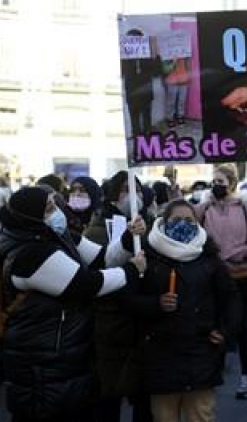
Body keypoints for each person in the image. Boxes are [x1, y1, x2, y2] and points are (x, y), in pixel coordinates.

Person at [0, 187, 146, 422]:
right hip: (43, 365)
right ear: (31, 215)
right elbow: (87, 285)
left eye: (55, 205)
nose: (57, 212)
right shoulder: (30, 253)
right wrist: (132, 271)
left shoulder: (55, 235)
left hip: (65, 357)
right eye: (49, 208)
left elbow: (102, 258)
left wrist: (127, 238)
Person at [106, 199, 242, 422]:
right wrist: (156, 304)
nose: (183, 224)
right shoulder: (147, 255)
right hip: (161, 356)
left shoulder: (209, 257)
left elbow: (231, 298)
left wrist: (226, 330)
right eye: (176, 220)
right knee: (164, 417)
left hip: (201, 354)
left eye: (189, 220)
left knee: (201, 415)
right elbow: (127, 301)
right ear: (164, 222)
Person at [84, 171, 154, 422]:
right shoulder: (98, 227)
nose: (132, 195)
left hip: (144, 320)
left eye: (136, 189)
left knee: (144, 398)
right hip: (111, 322)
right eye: (125, 189)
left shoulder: (153, 225)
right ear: (113, 194)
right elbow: (100, 266)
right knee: (109, 394)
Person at [198, 163, 247, 400]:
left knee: (241, 326)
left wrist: (241, 251)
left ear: (232, 183)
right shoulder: (204, 209)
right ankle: (211, 375)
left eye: (220, 182)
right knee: (213, 323)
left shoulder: (246, 209)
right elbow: (189, 230)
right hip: (212, 275)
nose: (216, 186)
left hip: (239, 276)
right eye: (213, 182)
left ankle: (246, 378)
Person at [121, 28, 162, 136]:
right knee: (134, 121)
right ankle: (137, 142)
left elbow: (157, 73)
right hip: (132, 93)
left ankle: (146, 140)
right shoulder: (123, 58)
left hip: (145, 94)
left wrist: (156, 55)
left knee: (146, 120)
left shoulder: (148, 56)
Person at [161, 55, 191, 126]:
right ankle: (170, 118)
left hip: (183, 79)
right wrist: (174, 62)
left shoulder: (184, 53)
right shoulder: (167, 54)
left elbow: (188, 65)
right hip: (172, 80)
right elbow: (165, 69)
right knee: (171, 101)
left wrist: (189, 76)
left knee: (182, 100)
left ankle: (180, 116)